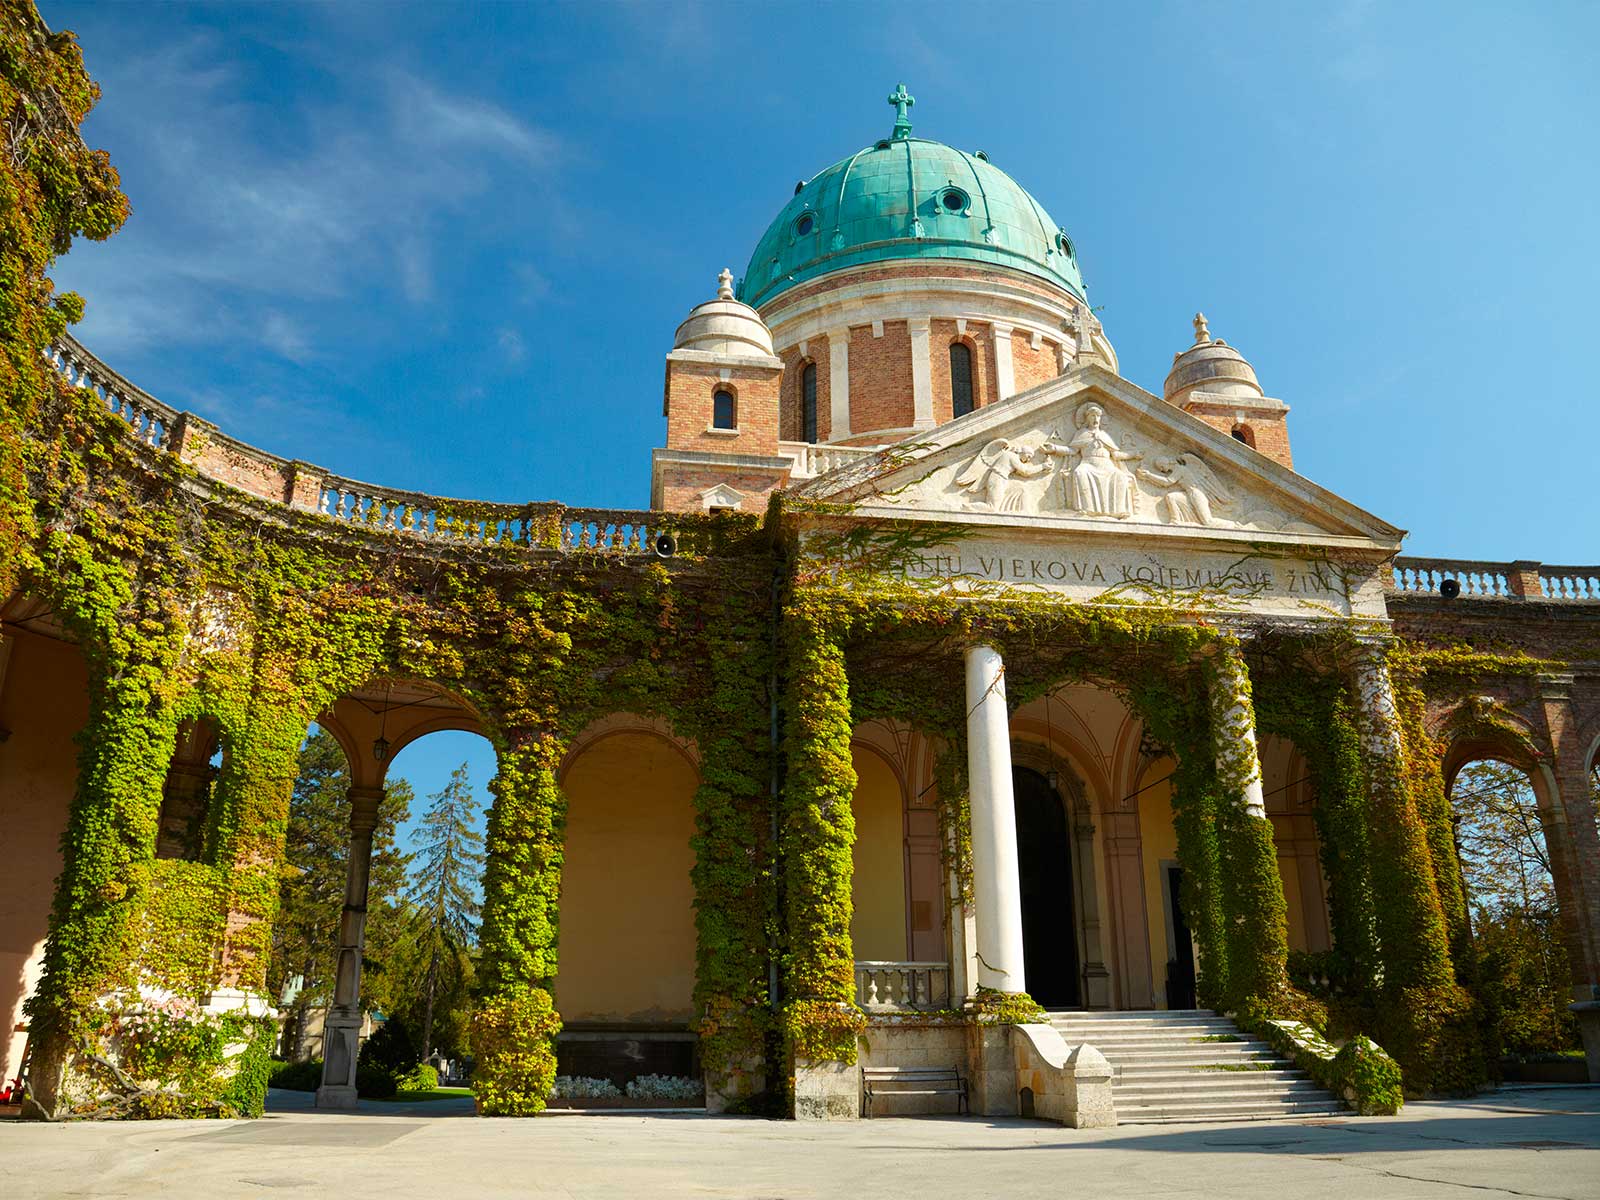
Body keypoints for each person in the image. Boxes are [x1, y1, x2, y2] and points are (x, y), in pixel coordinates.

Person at [1051, 403, 1140, 518]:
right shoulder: (1081, 434)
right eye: (1092, 416)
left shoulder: (1105, 435)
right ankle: (1088, 509)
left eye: (1098, 416)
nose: (1095, 419)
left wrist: (1133, 454)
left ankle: (1119, 511)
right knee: (1080, 473)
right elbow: (1072, 450)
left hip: (1107, 465)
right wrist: (1054, 448)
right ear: (1087, 419)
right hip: (1088, 464)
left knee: (1120, 476)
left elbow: (1116, 454)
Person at [953, 438, 1050, 511]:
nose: (1029, 459)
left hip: (1002, 480)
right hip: (997, 479)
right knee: (992, 508)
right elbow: (1025, 471)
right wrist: (1042, 466)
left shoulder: (1010, 456)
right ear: (1023, 452)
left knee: (1020, 489)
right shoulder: (1012, 456)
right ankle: (966, 507)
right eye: (1029, 456)